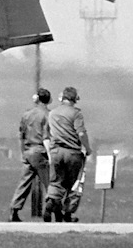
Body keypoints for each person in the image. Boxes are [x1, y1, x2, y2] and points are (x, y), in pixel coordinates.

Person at [44, 86, 91, 223]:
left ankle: (51, 201)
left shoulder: (52, 113)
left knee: (56, 180)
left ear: (62, 98)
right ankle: (68, 213)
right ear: (75, 99)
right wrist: (87, 148)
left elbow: (47, 133)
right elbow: (81, 133)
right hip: (72, 152)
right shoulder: (76, 113)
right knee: (74, 184)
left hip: (56, 151)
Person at [9, 88, 51, 222]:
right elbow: (47, 136)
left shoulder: (26, 114)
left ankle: (14, 209)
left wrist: (23, 152)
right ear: (48, 100)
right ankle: (50, 210)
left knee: (24, 183)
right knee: (50, 183)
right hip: (40, 152)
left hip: (27, 151)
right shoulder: (48, 115)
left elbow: (21, 134)